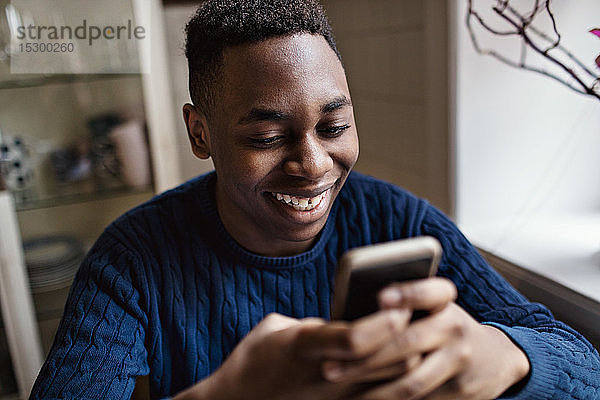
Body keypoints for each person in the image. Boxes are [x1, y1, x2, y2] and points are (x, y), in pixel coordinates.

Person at [30, 0, 600, 399]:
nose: (313, 165)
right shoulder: (133, 259)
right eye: (266, 138)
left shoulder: (399, 221)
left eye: (334, 126)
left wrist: (503, 357)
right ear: (200, 133)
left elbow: (582, 364)